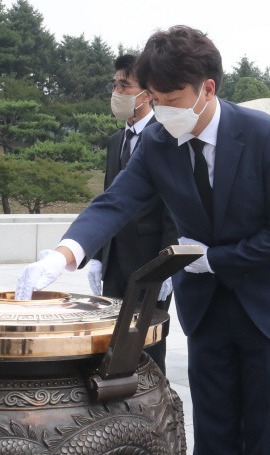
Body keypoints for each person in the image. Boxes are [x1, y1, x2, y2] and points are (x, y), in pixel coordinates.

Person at [16, 26, 270, 455]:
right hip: (208, 305)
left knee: (264, 432)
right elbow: (116, 201)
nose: (162, 112)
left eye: (172, 100)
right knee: (213, 428)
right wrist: (65, 253)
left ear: (207, 89)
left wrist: (212, 259)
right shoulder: (160, 141)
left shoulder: (262, 136)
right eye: (155, 101)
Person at [87, 54, 178, 374]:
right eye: (115, 85)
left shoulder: (168, 134)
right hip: (114, 260)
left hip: (150, 260)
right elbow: (108, 201)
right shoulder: (115, 141)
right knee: (113, 343)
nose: (118, 92)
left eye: (125, 85)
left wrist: (169, 263)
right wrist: (97, 255)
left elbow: (173, 204)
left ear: (147, 93)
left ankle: (156, 414)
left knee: (149, 347)